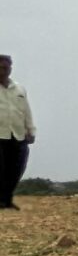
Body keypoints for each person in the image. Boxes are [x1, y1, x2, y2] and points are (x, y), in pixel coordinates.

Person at [0, 54, 31, 210]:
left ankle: (7, 200)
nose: (3, 71)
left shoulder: (19, 89)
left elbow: (26, 111)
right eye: (0, 68)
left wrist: (31, 130)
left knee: (16, 169)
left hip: (17, 134)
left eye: (6, 68)